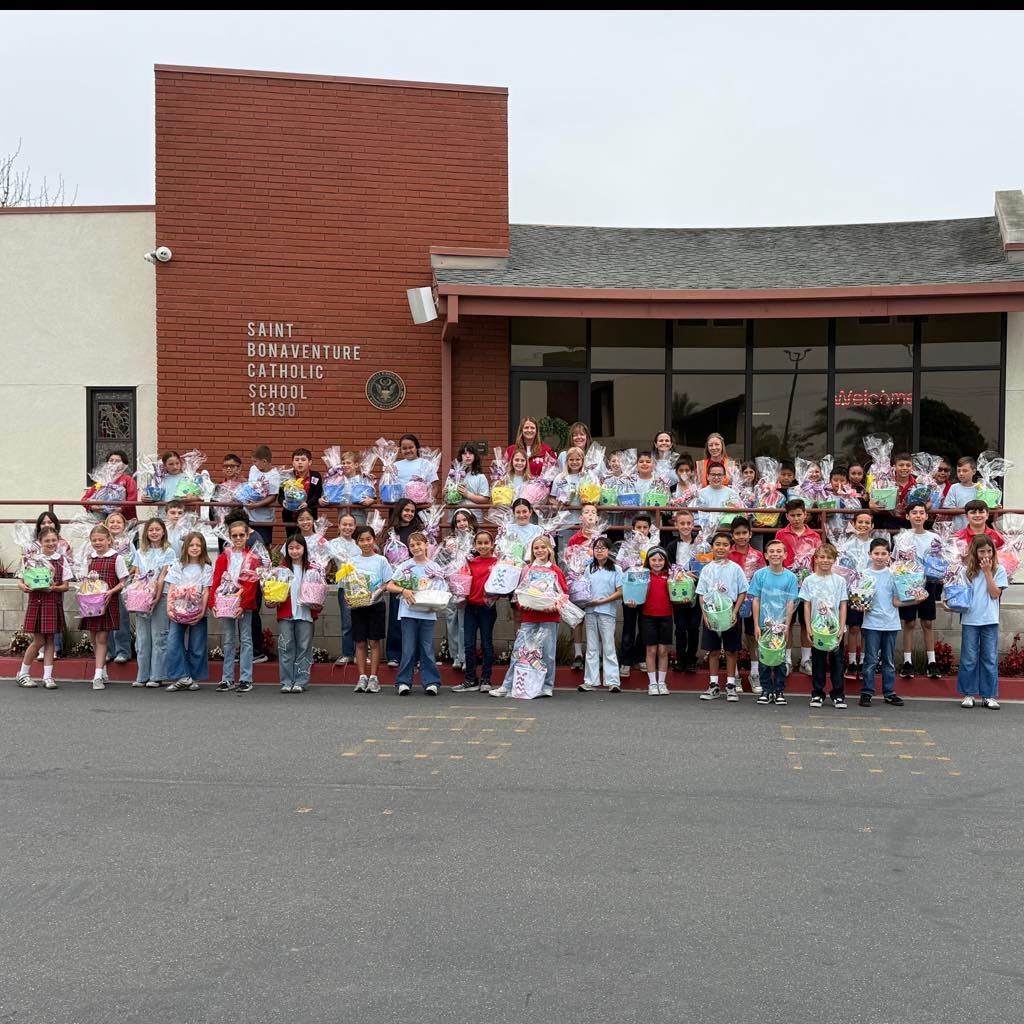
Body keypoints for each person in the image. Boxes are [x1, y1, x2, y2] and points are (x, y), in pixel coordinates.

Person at [491, 535, 567, 699]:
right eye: (536, 548)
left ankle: (546, 686)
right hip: (529, 617)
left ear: (549, 549)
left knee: (548, 653)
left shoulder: (556, 570)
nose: (539, 550)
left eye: (543, 547)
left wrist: (553, 605)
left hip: (549, 617)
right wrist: (521, 605)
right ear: (531, 551)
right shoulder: (527, 570)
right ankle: (507, 685)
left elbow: (564, 594)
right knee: (519, 651)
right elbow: (518, 594)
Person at [858, 537, 916, 707]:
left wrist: (916, 600)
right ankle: (867, 692)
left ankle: (889, 692)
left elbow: (897, 601)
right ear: (870, 554)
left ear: (889, 555)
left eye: (884, 553)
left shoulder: (895, 574)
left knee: (889, 660)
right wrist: (860, 606)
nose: (880, 556)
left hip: (891, 623)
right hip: (871, 624)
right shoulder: (863, 575)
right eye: (876, 553)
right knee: (870, 659)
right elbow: (861, 600)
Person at [386, 532, 446, 695]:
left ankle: (431, 682)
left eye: (419, 544)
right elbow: (390, 586)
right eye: (412, 545)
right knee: (408, 648)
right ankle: (403, 682)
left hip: (427, 613)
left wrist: (435, 604)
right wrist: (403, 590)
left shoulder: (435, 567)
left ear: (427, 545)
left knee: (426, 648)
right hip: (408, 613)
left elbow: (442, 589)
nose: (416, 548)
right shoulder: (405, 566)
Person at [211, 512, 264, 693]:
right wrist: (214, 603)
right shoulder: (223, 557)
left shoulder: (253, 558)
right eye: (234, 535)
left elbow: (252, 584)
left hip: (244, 605)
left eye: (242, 535)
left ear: (247, 535)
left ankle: (245, 678)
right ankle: (227, 678)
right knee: (228, 640)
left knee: (246, 639)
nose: (238, 538)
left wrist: (244, 604)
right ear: (229, 536)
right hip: (226, 603)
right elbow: (216, 580)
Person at [953, 535, 1008, 710]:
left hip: (990, 619)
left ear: (993, 552)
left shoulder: (999, 570)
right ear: (974, 552)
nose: (985, 555)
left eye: (989, 551)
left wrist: (987, 572)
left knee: (989, 658)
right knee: (969, 658)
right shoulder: (965, 571)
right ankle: (968, 694)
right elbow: (960, 595)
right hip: (970, 619)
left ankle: (988, 695)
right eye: (981, 551)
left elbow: (995, 594)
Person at [15, 527, 72, 689]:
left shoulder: (62, 559)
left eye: (54, 540)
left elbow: (66, 586)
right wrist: (24, 587)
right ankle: (23, 673)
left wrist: (53, 588)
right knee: (38, 640)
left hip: (53, 602)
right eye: (47, 541)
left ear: (58, 541)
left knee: (50, 640)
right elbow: (21, 581)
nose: (51, 543)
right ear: (40, 542)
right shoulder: (32, 559)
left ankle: (48, 677)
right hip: (37, 603)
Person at [696, 531, 748, 702]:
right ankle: (713, 685)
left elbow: (742, 591)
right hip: (712, 612)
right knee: (714, 650)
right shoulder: (707, 569)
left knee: (732, 650)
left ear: (730, 547)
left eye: (725, 544)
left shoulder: (735, 569)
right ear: (712, 547)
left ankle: (731, 685)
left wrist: (734, 612)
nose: (721, 547)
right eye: (717, 544)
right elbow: (701, 594)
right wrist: (705, 615)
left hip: (729, 612)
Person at [267, 533, 321, 694]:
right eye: (291, 548)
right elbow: (272, 593)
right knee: (285, 647)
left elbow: (319, 594)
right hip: (286, 614)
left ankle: (301, 681)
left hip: (305, 614)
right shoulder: (280, 570)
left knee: (304, 647)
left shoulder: (312, 570)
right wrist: (270, 601)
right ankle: (286, 681)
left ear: (304, 549)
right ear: (286, 550)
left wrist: (317, 605)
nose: (295, 551)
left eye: (298, 547)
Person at [748, 539, 799, 705]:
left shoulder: (790, 577)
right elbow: (756, 599)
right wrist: (756, 624)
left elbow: (791, 602)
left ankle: (779, 691)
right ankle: (766, 690)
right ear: (766, 555)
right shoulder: (759, 575)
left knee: (780, 658)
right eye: (772, 551)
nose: (775, 554)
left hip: (781, 626)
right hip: (764, 625)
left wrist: (787, 625)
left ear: (785, 555)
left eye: (779, 551)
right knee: (764, 658)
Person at [80, 524, 130, 690]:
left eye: (101, 539)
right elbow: (83, 580)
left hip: (108, 603)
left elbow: (123, 581)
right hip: (90, 605)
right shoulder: (89, 558)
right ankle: (102, 670)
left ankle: (97, 676)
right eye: (94, 540)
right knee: (94, 638)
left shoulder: (117, 558)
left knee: (102, 638)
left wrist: (109, 592)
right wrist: (85, 589)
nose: (97, 543)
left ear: (109, 540)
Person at [775, 498, 822, 674]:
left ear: (805, 515)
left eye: (799, 515)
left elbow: (817, 560)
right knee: (786, 622)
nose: (796, 518)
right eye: (792, 515)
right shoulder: (781, 535)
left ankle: (805, 660)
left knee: (805, 622)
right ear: (787, 516)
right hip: (786, 584)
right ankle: (786, 659)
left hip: (808, 586)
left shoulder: (814, 536)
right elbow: (777, 556)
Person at [800, 543, 848, 709]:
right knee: (818, 660)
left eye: (829, 557)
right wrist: (808, 627)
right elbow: (806, 604)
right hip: (817, 628)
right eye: (822, 557)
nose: (825, 560)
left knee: (837, 661)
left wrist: (842, 627)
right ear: (816, 559)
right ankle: (818, 693)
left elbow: (843, 604)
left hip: (835, 629)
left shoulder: (840, 581)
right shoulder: (809, 580)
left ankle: (838, 694)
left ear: (834, 560)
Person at [898, 501, 942, 680]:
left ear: (926, 516)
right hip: (908, 584)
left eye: (921, 512)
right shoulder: (902, 537)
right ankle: (907, 661)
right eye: (914, 512)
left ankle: (931, 662)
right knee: (909, 622)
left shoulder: (934, 538)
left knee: (928, 622)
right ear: (907, 516)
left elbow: (939, 561)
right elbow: (897, 563)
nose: (918, 515)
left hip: (928, 583)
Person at [164, 531, 213, 692]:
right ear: (185, 547)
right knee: (173, 642)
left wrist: (202, 612)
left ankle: (192, 677)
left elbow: (206, 591)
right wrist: (169, 607)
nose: (194, 548)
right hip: (178, 610)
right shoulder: (178, 566)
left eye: (198, 545)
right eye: (191, 545)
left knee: (197, 645)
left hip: (197, 610)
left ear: (203, 548)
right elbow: (171, 587)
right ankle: (183, 676)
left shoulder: (206, 568)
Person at [348, 525, 393, 694]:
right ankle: (362, 677)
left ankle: (374, 677)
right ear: (356, 542)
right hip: (358, 605)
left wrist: (377, 591)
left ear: (374, 540)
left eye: (368, 539)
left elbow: (388, 582)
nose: (366, 543)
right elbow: (348, 584)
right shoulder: (352, 561)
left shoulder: (381, 560)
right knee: (360, 642)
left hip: (376, 605)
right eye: (361, 540)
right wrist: (352, 594)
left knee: (374, 641)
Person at [453, 528, 499, 693]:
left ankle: (486, 679)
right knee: (468, 644)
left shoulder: (498, 563)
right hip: (470, 607)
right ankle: (470, 679)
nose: (483, 546)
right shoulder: (469, 562)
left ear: (492, 544)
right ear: (474, 545)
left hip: (488, 608)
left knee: (487, 644)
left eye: (486, 543)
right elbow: (460, 582)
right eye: (479, 543)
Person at [131, 518, 175, 688]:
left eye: (157, 529)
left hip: (160, 595)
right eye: (151, 530)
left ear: (163, 531)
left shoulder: (169, 552)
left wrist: (156, 596)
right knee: (142, 637)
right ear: (146, 533)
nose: (154, 532)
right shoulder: (140, 551)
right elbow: (136, 573)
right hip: (141, 597)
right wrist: (137, 593)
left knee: (159, 636)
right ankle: (142, 675)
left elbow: (164, 575)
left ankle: (157, 675)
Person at [578, 537, 623, 692]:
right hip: (590, 611)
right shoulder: (588, 568)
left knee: (608, 646)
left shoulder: (616, 569)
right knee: (591, 647)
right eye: (596, 548)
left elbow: (620, 592)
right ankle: (590, 681)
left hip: (607, 612)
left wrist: (601, 602)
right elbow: (582, 589)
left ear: (609, 550)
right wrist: (587, 601)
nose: (599, 551)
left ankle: (612, 681)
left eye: (603, 548)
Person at [380, 498, 420, 667]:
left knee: (415, 617)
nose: (409, 514)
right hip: (396, 579)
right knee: (396, 617)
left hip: (415, 579)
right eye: (406, 510)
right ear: (399, 511)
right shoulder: (391, 531)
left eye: (412, 511)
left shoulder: (419, 530)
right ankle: (394, 654)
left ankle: (415, 655)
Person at [728, 517, 766, 693]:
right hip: (732, 600)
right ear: (732, 535)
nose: (741, 536)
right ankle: (734, 675)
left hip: (753, 601)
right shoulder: (727, 554)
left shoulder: (757, 555)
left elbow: (762, 578)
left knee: (753, 636)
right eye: (737, 533)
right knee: (733, 637)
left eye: (744, 533)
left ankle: (755, 673)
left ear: (750, 534)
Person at [630, 545, 673, 695]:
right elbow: (635, 592)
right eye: (653, 560)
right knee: (651, 650)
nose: (657, 563)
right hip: (648, 616)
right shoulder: (643, 575)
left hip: (666, 616)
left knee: (663, 651)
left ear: (665, 561)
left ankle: (662, 682)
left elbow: (677, 593)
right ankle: (652, 683)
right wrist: (632, 600)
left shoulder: (671, 575)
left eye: (660, 560)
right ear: (648, 561)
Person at [564, 503, 602, 670]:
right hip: (578, 581)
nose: (590, 515)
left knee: (597, 617)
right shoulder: (574, 538)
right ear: (581, 518)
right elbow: (568, 558)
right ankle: (578, 654)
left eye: (593, 512)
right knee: (578, 618)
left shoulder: (601, 537)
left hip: (596, 582)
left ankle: (597, 653)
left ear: (597, 518)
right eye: (586, 512)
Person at [665, 509, 701, 674]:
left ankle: (691, 659)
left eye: (689, 523)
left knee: (694, 626)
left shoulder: (700, 544)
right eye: (682, 523)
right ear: (676, 525)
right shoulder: (672, 546)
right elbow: (669, 567)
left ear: (693, 525)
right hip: (679, 592)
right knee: (680, 627)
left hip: (697, 591)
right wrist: (683, 573)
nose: (686, 526)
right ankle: (680, 658)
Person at [619, 512, 654, 675]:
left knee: (644, 627)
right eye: (638, 527)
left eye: (645, 527)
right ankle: (625, 661)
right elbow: (619, 567)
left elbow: (658, 565)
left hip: (648, 592)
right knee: (628, 627)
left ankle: (640, 658)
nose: (641, 530)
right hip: (630, 592)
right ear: (633, 529)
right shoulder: (625, 546)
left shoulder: (653, 545)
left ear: (649, 529)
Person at [843, 509, 876, 678]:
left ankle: (864, 660)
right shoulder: (846, 544)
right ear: (854, 524)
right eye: (860, 522)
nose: (863, 525)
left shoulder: (875, 544)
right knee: (854, 626)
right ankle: (852, 662)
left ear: (872, 526)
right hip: (852, 589)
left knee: (866, 627)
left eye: (867, 523)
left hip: (870, 589)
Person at [444, 509, 476, 671]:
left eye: (465, 520)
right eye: (458, 521)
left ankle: (464, 657)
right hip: (451, 586)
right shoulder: (449, 541)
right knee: (451, 620)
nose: (462, 523)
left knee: (464, 622)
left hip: (468, 586)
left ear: (471, 521)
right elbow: (440, 561)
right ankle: (455, 655)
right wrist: (449, 553)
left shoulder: (476, 541)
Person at [103, 510, 135, 664]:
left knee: (121, 618)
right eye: (112, 522)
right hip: (106, 586)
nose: (115, 524)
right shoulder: (102, 541)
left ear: (124, 526)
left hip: (123, 585)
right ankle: (109, 650)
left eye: (118, 522)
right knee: (106, 619)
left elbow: (135, 561)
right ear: (106, 525)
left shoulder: (128, 542)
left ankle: (123, 651)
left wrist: (129, 574)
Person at [333, 512, 359, 666]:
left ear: (355, 527)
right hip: (344, 587)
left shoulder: (359, 544)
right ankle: (347, 653)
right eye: (345, 524)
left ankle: (359, 653)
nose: (347, 527)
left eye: (351, 525)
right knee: (347, 623)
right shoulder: (332, 544)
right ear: (339, 526)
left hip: (359, 587)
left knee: (360, 621)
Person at [82, 449, 139, 521]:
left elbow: (132, 500)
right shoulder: (101, 481)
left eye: (117, 461)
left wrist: (121, 509)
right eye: (111, 460)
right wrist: (92, 507)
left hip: (125, 520)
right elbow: (84, 499)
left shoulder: (128, 480)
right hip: (102, 522)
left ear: (124, 464)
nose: (113, 463)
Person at [278, 447, 323, 529]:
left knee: (308, 539)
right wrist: (283, 502)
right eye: (297, 460)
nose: (300, 462)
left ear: (310, 462)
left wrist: (307, 504)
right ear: (293, 463)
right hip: (290, 515)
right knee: (292, 538)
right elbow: (280, 496)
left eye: (303, 460)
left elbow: (317, 495)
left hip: (309, 514)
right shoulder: (286, 476)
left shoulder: (316, 476)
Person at [450, 442, 490, 519]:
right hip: (455, 518)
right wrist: (445, 492)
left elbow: (485, 499)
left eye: (470, 453)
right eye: (464, 454)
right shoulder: (453, 475)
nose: (467, 456)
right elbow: (445, 496)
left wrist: (468, 495)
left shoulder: (480, 477)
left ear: (475, 456)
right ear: (460, 456)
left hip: (474, 518)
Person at [395, 433, 439, 502]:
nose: (408, 451)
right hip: (399, 506)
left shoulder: (426, 464)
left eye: (411, 447)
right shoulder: (395, 466)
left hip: (421, 506)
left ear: (417, 448)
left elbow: (435, 487)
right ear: (400, 450)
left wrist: (428, 503)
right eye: (404, 448)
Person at [941, 455, 979, 529]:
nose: (961, 473)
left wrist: (994, 507)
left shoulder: (979, 488)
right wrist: (966, 508)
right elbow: (947, 509)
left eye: (964, 471)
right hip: (958, 530)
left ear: (974, 471)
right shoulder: (954, 488)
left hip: (977, 529)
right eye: (958, 471)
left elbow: (984, 507)